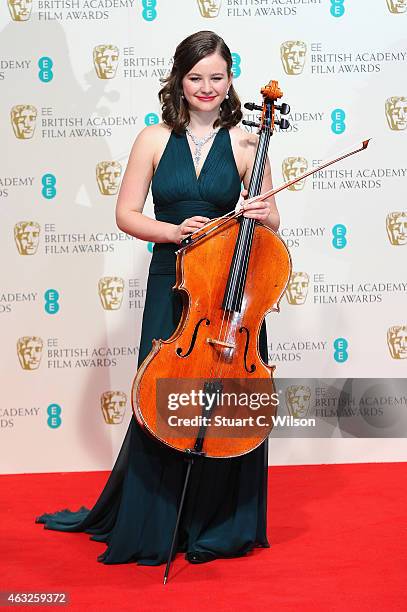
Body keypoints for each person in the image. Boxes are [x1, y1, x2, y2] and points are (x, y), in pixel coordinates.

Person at [36, 30, 280, 566]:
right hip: (172, 280)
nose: (207, 87)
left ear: (230, 78)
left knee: (223, 404)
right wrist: (172, 233)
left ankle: (217, 524)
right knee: (161, 396)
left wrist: (264, 212)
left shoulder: (247, 140)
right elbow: (125, 213)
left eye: (217, 77)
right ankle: (156, 521)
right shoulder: (152, 138)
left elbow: (271, 220)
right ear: (179, 78)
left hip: (226, 293)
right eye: (196, 77)